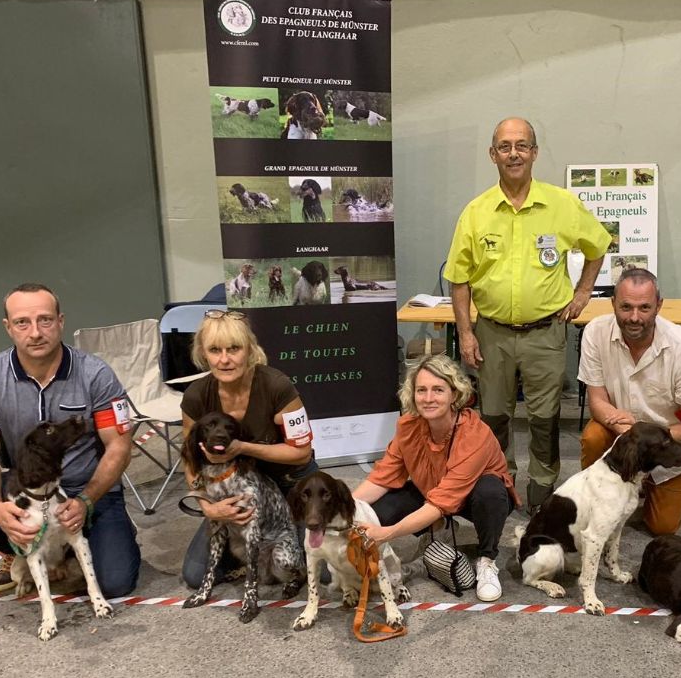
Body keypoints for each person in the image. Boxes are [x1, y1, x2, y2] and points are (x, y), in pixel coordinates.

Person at [443, 117, 611, 511]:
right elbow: (459, 279)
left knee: (545, 417)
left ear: (534, 152)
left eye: (521, 145)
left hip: (545, 333)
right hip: (493, 334)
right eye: (505, 146)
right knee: (495, 416)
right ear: (493, 154)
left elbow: (597, 245)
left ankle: (541, 491)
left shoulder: (562, 205)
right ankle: (500, 486)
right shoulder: (476, 212)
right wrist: (466, 334)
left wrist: (584, 291)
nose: (513, 153)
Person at [0, 283, 139, 597]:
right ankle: (18, 546)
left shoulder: (96, 374)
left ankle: (108, 534)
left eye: (45, 320)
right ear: (8, 327)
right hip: (26, 489)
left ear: (60, 321)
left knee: (115, 583)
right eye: (22, 323)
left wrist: (86, 501)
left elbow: (119, 447)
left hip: (91, 490)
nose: (35, 332)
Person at [354, 355, 521, 602]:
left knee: (490, 491)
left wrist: (388, 533)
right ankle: (438, 529)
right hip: (432, 490)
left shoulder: (475, 433)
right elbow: (382, 478)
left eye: (438, 390)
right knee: (375, 508)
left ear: (454, 394)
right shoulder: (408, 427)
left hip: (475, 498)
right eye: (421, 390)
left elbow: (443, 500)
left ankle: (487, 560)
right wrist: (343, 508)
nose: (428, 398)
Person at [179, 309, 316, 588]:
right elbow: (190, 459)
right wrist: (208, 507)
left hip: (291, 484)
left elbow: (301, 452)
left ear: (250, 349)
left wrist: (242, 447)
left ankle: (281, 546)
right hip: (235, 488)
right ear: (204, 354)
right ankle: (253, 551)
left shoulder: (278, 386)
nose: (225, 359)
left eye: (234, 349)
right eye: (215, 350)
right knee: (195, 575)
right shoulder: (195, 396)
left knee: (323, 569)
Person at [577, 268, 681, 534]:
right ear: (613, 303)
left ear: (659, 306)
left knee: (662, 528)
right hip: (621, 432)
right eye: (626, 307)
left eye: (644, 308)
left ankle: (647, 487)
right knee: (593, 436)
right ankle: (600, 495)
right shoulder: (595, 332)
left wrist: (642, 435)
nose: (634, 317)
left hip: (667, 445)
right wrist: (627, 431)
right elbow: (597, 400)